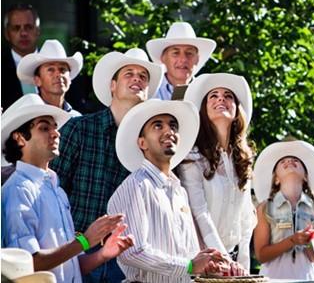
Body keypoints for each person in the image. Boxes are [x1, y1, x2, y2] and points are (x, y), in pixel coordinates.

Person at [49, 48, 163, 282]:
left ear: (148, 90)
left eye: (143, 76)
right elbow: (53, 191)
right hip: (79, 250)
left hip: (127, 256)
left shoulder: (150, 143)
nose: (136, 78)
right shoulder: (79, 129)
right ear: (112, 86)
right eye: (128, 73)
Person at [1, 94, 134, 283]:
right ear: (20, 138)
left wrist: (103, 253)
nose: (56, 133)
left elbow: (70, 266)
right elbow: (28, 264)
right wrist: (85, 241)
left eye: (55, 127)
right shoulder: (18, 190)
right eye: (44, 128)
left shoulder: (56, 190)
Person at [107, 99, 240, 282]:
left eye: (173, 126)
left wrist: (205, 265)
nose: (169, 131)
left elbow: (188, 255)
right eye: (157, 126)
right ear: (142, 143)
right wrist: (190, 266)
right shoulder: (135, 186)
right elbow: (131, 252)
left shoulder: (179, 191)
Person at [175, 73, 256, 271]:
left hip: (235, 261)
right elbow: (199, 213)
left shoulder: (243, 159)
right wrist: (223, 259)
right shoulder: (192, 157)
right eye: (214, 95)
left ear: (237, 110)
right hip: (202, 261)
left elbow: (246, 217)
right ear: (203, 110)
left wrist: (243, 264)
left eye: (228, 95)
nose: (221, 98)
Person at [252, 139, 314, 280]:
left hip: (305, 279)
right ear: (276, 179)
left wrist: (308, 243)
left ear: (305, 176)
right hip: (272, 279)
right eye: (282, 161)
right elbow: (261, 256)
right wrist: (292, 241)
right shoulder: (264, 208)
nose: (289, 161)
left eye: (295, 160)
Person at [146, 22, 216, 100]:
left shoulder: (207, 94)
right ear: (163, 58)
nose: (183, 59)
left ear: (197, 59)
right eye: (176, 53)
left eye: (189, 53)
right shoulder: (148, 92)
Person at [17, 39, 83, 116]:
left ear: (70, 79)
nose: (58, 74)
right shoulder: (27, 116)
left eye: (62, 69)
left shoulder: (76, 117)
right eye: (50, 70)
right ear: (37, 80)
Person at [2, 4, 41, 109]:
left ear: (38, 31)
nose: (23, 33)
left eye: (28, 27)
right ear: (6, 34)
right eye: (16, 28)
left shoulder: (57, 64)